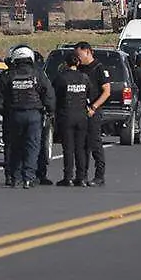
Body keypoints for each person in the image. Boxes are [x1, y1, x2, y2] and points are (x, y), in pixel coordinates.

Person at [0, 46, 55, 189]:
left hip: (14, 115)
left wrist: (5, 112)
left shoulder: (7, 75)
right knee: (32, 147)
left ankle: (15, 178)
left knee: (14, 147)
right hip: (34, 115)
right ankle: (28, 177)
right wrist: (51, 111)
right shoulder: (38, 74)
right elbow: (49, 94)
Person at [74, 42, 111, 186]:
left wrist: (94, 107)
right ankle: (81, 175)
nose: (78, 58)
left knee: (94, 143)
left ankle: (99, 175)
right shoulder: (79, 68)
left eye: (79, 54)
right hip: (80, 111)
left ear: (87, 52)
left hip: (93, 111)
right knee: (81, 145)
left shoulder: (98, 68)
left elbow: (106, 91)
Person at [52, 52, 91, 186]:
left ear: (66, 64)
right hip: (81, 115)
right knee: (80, 148)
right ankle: (81, 177)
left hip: (66, 115)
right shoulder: (84, 77)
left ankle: (68, 177)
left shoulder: (61, 78)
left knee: (68, 148)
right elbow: (90, 93)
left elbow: (54, 95)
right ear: (78, 63)